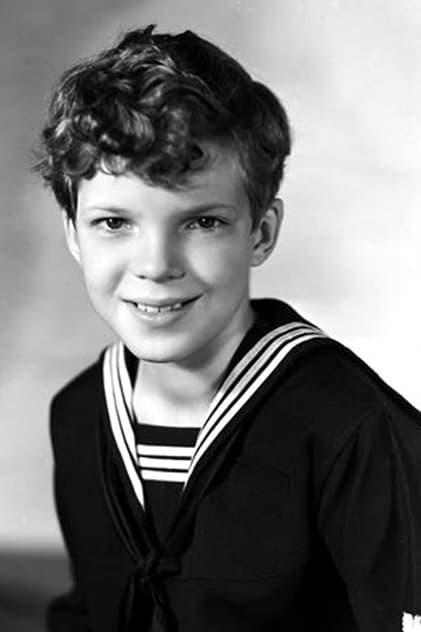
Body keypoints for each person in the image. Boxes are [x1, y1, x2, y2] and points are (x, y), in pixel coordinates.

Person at [36, 24, 421, 632]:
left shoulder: (350, 425)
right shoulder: (79, 414)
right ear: (74, 234)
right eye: (114, 223)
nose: (156, 265)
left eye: (202, 222)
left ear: (261, 233)